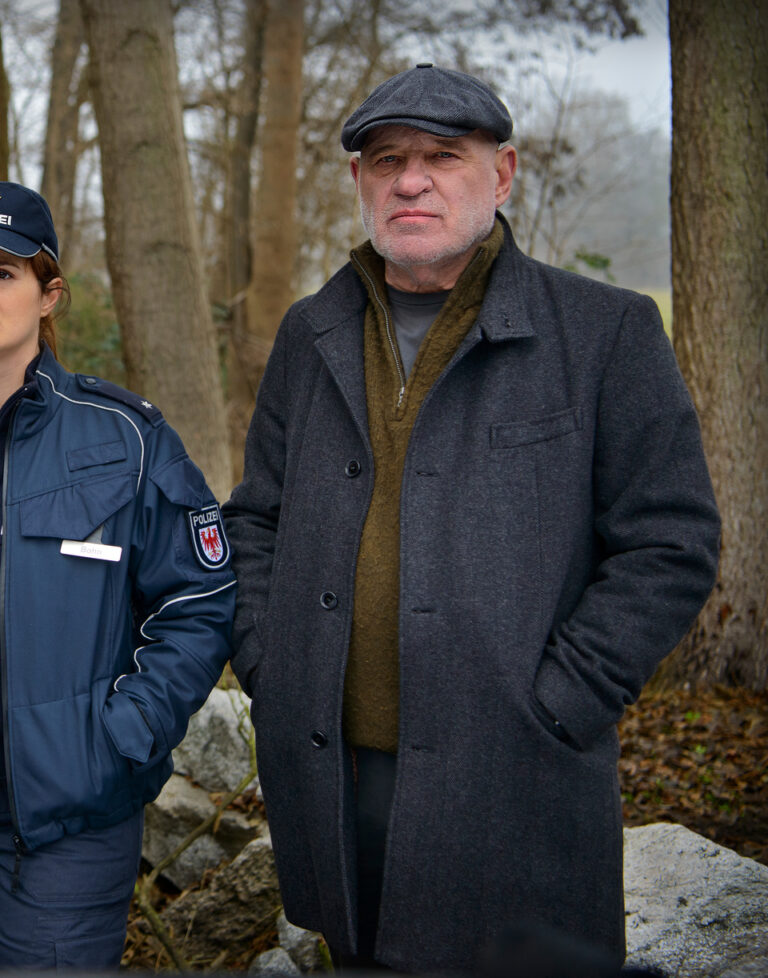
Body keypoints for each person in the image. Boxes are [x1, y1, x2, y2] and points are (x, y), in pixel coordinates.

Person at [222, 64, 720, 973]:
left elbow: (670, 540)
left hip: (519, 778)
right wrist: (272, 662)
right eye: (387, 159)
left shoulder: (603, 332)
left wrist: (565, 701)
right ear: (359, 182)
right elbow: (256, 518)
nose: (410, 180)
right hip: (343, 774)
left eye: (443, 157)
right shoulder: (311, 332)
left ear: (502, 174)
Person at [0, 181, 234, 967]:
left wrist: (120, 736)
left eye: (3, 272)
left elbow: (199, 601)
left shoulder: (124, 438)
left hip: (63, 821)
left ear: (48, 291)